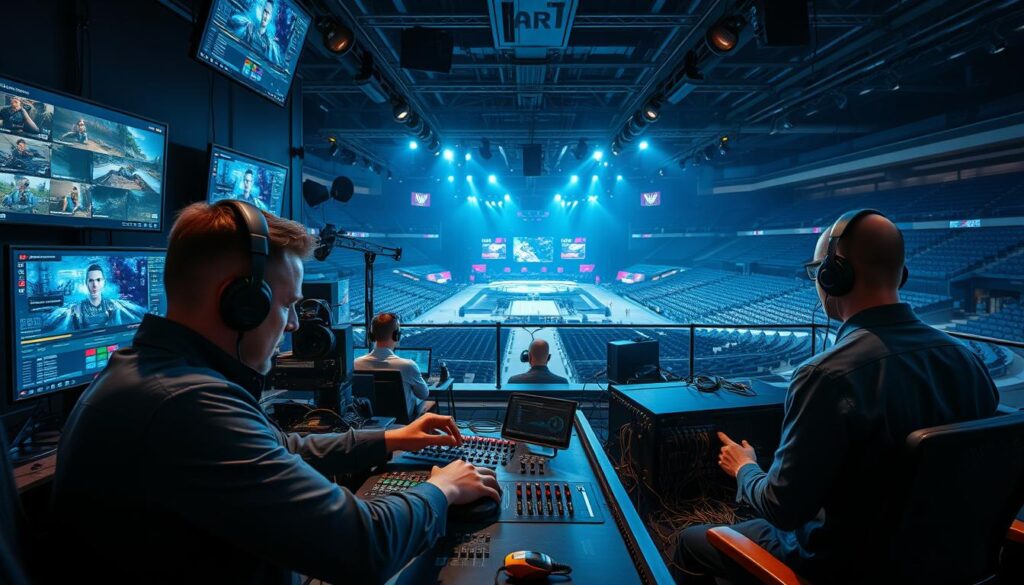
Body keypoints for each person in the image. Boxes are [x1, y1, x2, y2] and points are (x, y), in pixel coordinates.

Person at [52, 201, 500, 584]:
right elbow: (364, 546)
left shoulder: (157, 374)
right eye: (286, 305)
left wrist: (389, 438)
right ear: (241, 303)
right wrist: (442, 489)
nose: (293, 325)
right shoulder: (186, 403)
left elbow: (281, 446)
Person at [673, 210, 999, 583]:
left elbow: (783, 510)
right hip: (943, 564)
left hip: (840, 567)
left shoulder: (826, 376)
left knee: (690, 541)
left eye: (818, 272)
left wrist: (744, 467)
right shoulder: (969, 362)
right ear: (901, 275)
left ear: (834, 274)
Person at [355, 312, 431, 419]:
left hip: (368, 422)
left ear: (371, 335)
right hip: (401, 423)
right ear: (397, 335)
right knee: (428, 403)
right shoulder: (408, 366)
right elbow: (424, 394)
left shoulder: (356, 364)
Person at [231, 0, 282, 66]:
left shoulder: (271, 46)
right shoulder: (247, 27)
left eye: (268, 13)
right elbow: (234, 19)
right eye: (264, 11)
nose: (265, 15)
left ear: (271, 17)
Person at [70, 264, 117, 329]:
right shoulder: (78, 308)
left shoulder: (111, 306)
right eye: (91, 280)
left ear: (104, 282)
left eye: (98, 280)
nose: (95, 285)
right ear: (86, 283)